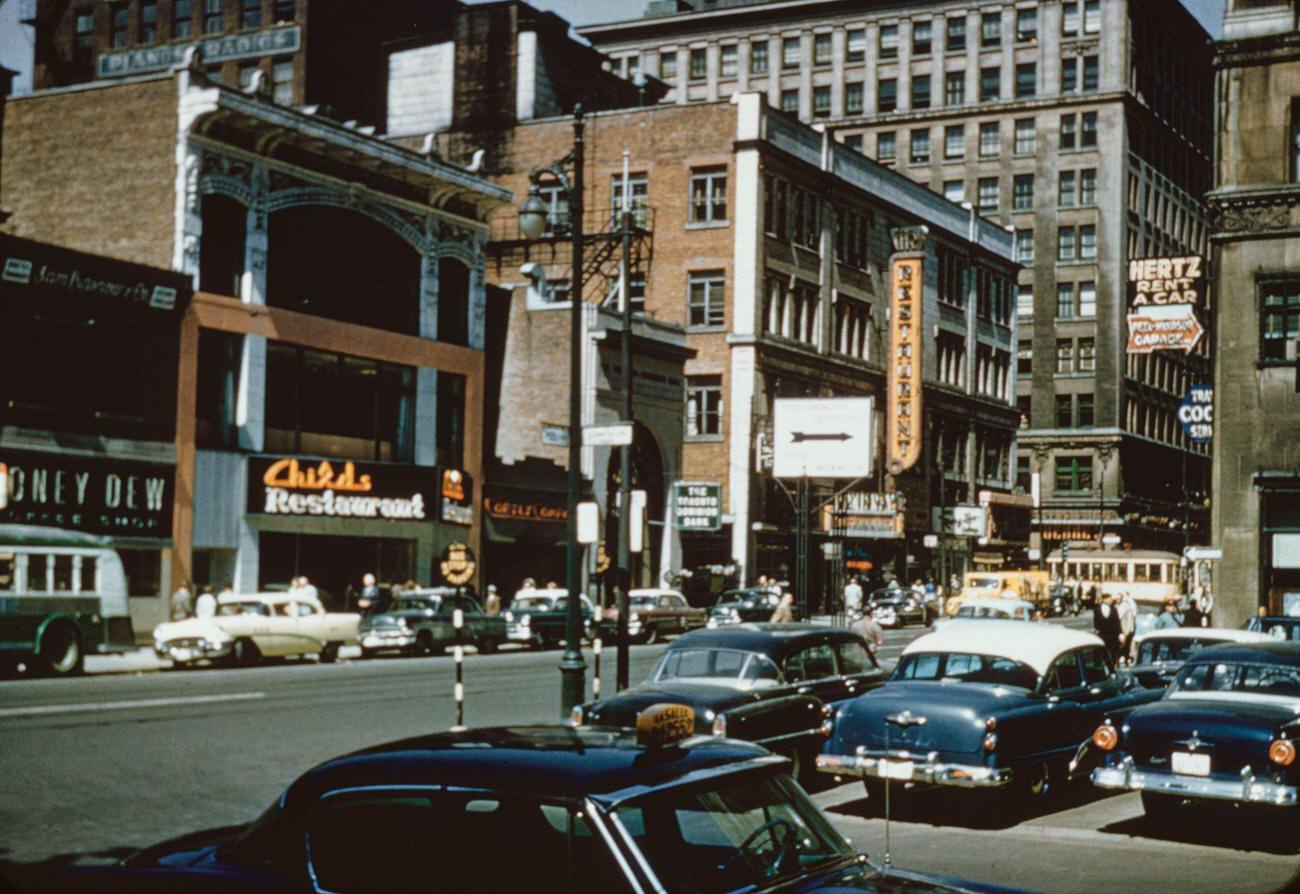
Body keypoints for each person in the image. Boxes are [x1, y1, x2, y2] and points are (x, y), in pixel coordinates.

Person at [1093, 592, 1122, 664]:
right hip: (1102, 635)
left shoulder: (1114, 609)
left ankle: (1112, 666)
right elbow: (1095, 622)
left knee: (1113, 653)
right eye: (1109, 599)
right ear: (1104, 600)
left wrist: (1120, 633)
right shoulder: (1097, 610)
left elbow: (1117, 622)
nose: (1111, 600)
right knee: (1102, 652)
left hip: (1113, 635)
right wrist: (1097, 630)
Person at [1116, 591, 1137, 664]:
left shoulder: (1123, 606)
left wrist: (1125, 631)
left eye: (1118, 599)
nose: (1116, 601)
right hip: (1129, 629)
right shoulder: (1129, 604)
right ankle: (1127, 658)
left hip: (1125, 630)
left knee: (1123, 645)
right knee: (1127, 645)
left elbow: (1119, 617)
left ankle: (1122, 659)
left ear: (1122, 599)